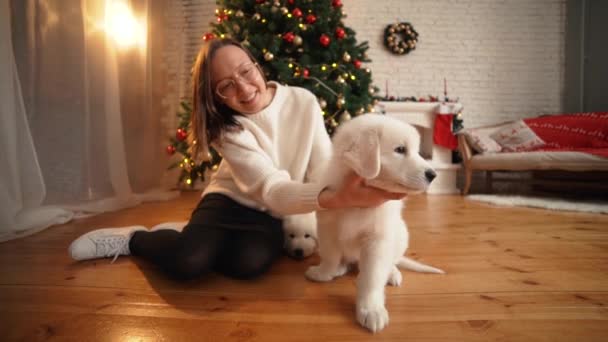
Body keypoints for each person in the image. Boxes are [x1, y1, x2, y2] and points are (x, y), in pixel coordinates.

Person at [69, 38, 405, 281]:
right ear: (214, 96)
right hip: (229, 200)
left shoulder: (303, 101)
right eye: (226, 86)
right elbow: (270, 186)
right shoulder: (225, 128)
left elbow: (320, 166)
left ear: (256, 65)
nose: (244, 89)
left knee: (247, 265)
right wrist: (333, 198)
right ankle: (135, 238)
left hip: (274, 211)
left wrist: (349, 199)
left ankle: (188, 235)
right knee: (189, 263)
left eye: (246, 72)